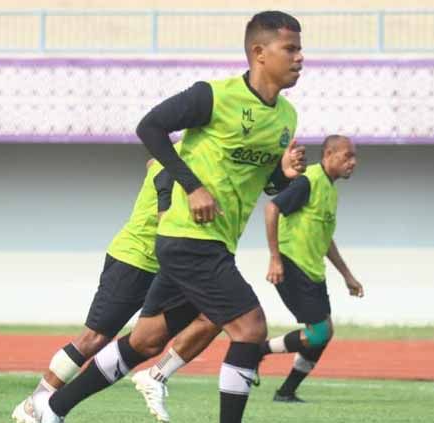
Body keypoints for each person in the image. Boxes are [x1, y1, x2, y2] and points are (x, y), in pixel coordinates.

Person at [31, 11, 306, 423]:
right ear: (259, 53)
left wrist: (281, 177)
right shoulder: (214, 96)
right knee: (249, 329)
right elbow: (151, 126)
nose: (300, 57)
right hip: (188, 239)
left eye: (301, 49)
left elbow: (262, 182)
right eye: (291, 48)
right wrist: (192, 186)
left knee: (145, 341)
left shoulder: (287, 118)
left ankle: (50, 410)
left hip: (215, 243)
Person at [12, 157, 221, 423]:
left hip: (172, 265)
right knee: (94, 338)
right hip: (135, 259)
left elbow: (150, 163)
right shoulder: (178, 158)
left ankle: (157, 376)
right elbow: (161, 183)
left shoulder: (200, 155)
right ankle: (35, 403)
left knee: (214, 313)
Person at [261, 135, 364, 403]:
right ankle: (257, 351)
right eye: (347, 156)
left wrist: (347, 276)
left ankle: (286, 392)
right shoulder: (309, 180)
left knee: (323, 334)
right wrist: (275, 258)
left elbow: (325, 238)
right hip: (291, 265)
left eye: (354, 156)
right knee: (319, 333)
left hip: (312, 270)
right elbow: (271, 208)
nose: (353, 162)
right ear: (328, 154)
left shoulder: (330, 190)